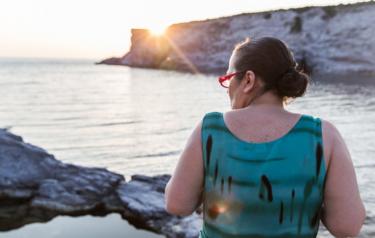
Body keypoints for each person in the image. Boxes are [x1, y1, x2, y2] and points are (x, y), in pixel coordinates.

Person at [164, 36, 366, 237]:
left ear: (248, 80)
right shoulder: (323, 134)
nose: (227, 90)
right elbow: (347, 227)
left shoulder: (211, 128)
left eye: (228, 79)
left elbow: (177, 204)